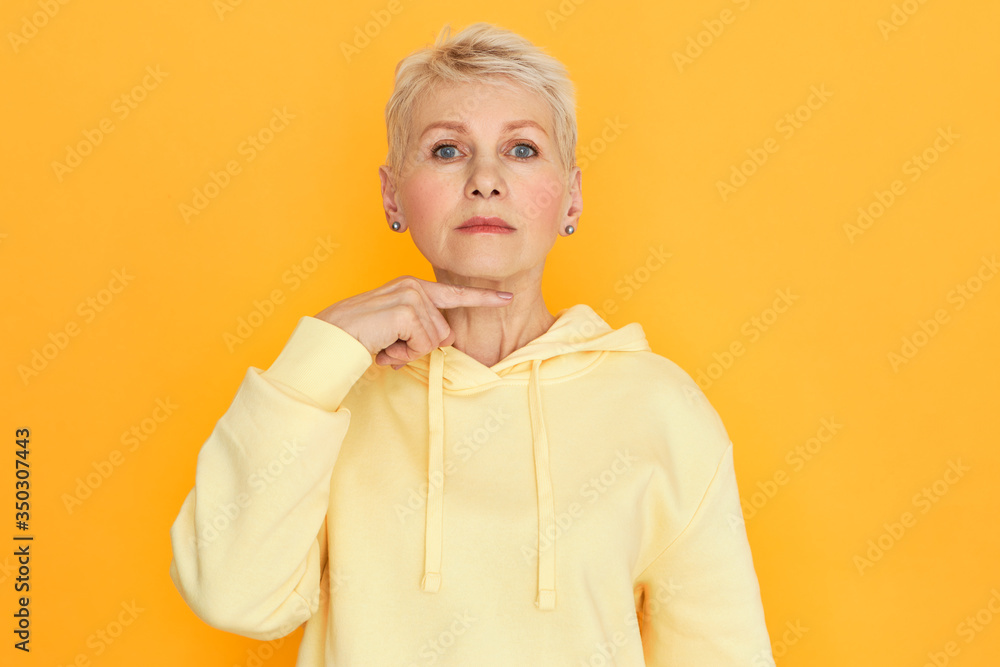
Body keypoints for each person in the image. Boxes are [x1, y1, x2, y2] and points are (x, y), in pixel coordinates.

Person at [168, 21, 775, 666]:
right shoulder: (331, 400)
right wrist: (322, 356)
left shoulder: (661, 408)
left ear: (571, 197)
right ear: (391, 194)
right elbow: (231, 598)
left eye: (521, 150)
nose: (485, 179)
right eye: (447, 150)